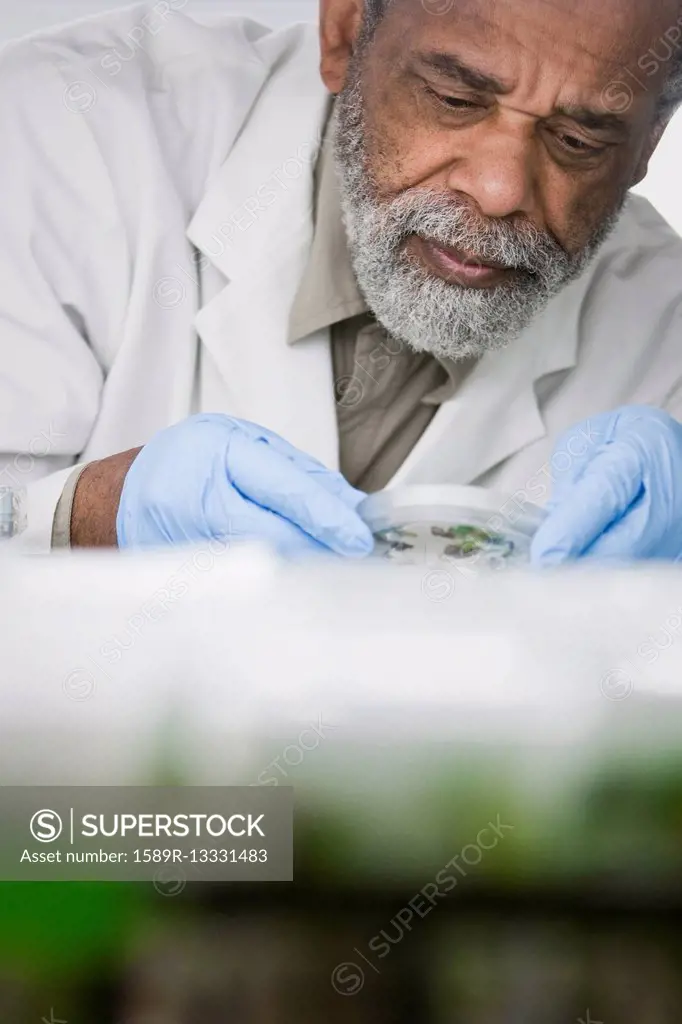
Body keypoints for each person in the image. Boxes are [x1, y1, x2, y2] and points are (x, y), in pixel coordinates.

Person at [3, 0, 682, 563]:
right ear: (346, 31)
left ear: (648, 144)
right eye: (453, 98)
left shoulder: (664, 328)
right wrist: (87, 515)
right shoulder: (62, 137)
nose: (500, 190)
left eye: (578, 143)